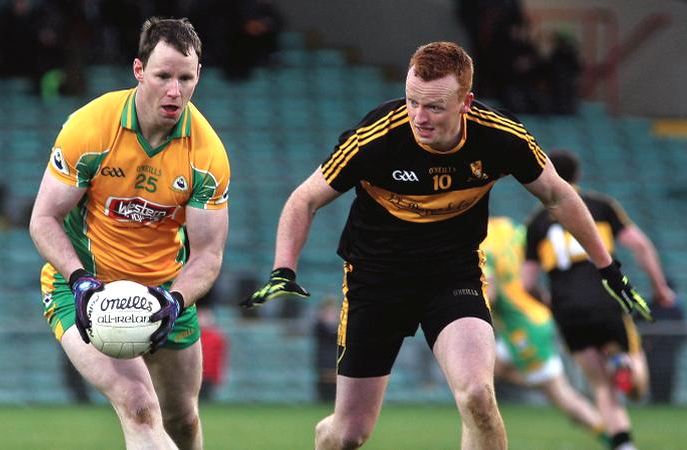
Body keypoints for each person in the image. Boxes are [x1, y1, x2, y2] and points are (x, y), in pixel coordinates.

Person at [240, 41, 652, 450]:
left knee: (478, 397)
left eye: (434, 106)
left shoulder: (500, 137)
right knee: (348, 433)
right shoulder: (375, 138)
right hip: (376, 281)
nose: (418, 116)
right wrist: (283, 268)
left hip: (452, 277)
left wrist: (608, 269)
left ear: (466, 103)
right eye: (411, 101)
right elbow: (304, 198)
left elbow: (559, 196)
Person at [29, 17, 230, 450]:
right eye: (163, 76)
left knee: (184, 420)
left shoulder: (208, 155)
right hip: (84, 290)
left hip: (165, 294)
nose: (175, 90)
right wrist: (79, 281)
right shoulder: (90, 129)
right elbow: (42, 219)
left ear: (199, 77)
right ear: (139, 71)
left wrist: (175, 300)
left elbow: (208, 255)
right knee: (139, 404)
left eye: (186, 78)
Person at [523, 149, 674, 450]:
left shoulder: (537, 222)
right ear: (577, 176)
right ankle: (622, 362)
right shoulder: (602, 206)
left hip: (566, 308)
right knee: (636, 387)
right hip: (604, 297)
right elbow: (640, 245)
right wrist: (659, 288)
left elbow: (526, 283)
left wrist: (550, 303)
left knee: (601, 387)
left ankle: (623, 446)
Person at [482, 217, 609, 446]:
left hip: (524, 329)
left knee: (561, 394)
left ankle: (613, 437)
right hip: (532, 319)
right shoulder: (509, 228)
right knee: (486, 371)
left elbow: (490, 294)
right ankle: (539, 384)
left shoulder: (481, 244)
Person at [197, 307, 228, 401]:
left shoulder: (217, 337)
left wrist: (217, 375)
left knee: (206, 399)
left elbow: (219, 358)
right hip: (196, 372)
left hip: (208, 374)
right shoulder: (193, 335)